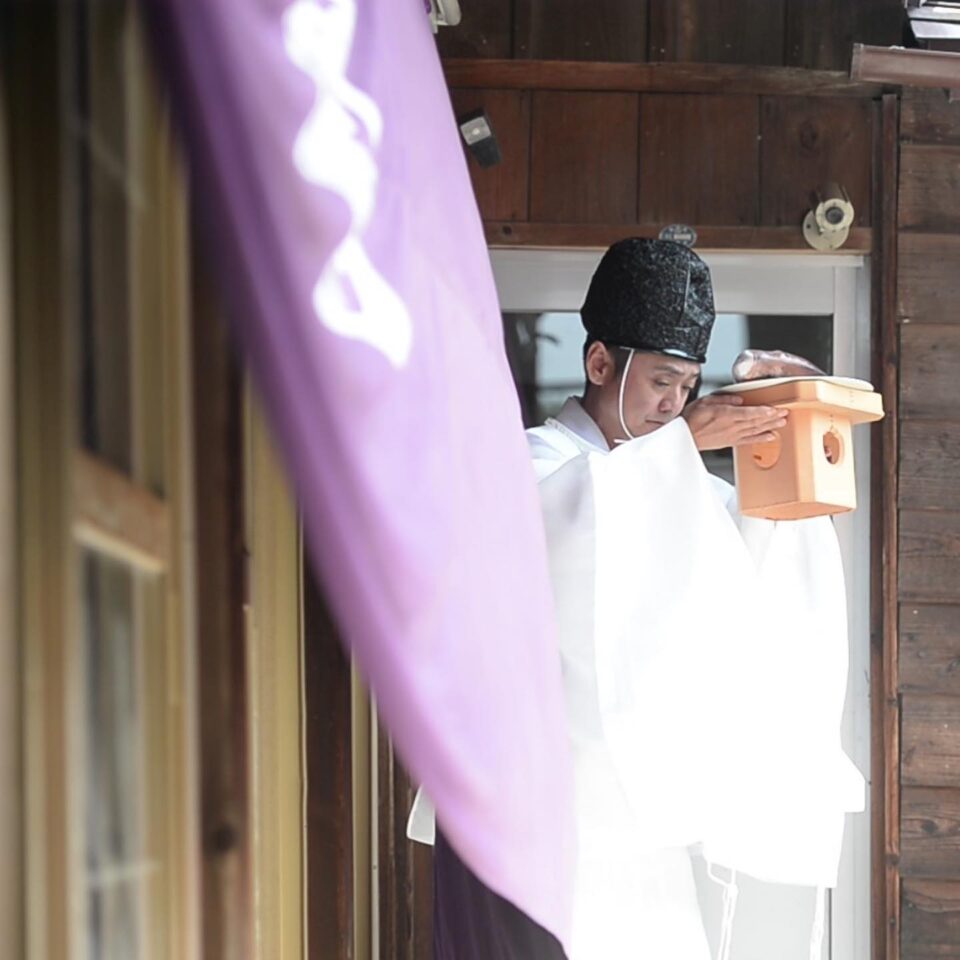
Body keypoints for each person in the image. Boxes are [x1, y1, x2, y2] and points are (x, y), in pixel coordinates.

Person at [528, 238, 864, 960]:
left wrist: (788, 457)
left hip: (655, 839)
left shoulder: (685, 484)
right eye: (660, 382)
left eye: (687, 387)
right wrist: (680, 445)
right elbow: (549, 544)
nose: (674, 404)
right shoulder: (534, 466)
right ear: (597, 363)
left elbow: (753, 579)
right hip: (551, 823)